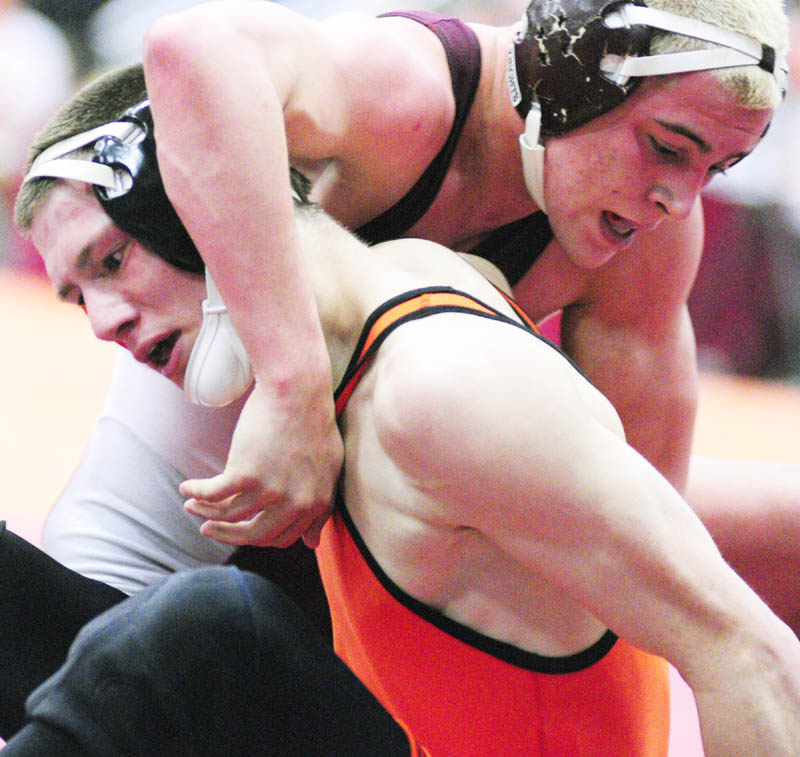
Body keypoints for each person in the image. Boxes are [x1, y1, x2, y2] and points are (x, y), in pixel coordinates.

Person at [17, 0, 800, 638]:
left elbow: (646, 523)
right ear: (573, 78)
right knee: (81, 677)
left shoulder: (648, 242)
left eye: (716, 168)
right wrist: (293, 389)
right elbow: (190, 46)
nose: (679, 198)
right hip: (204, 466)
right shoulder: (409, 92)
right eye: (669, 147)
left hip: (358, 539)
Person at [6, 157, 800, 755]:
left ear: (207, 217)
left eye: (114, 263)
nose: (106, 322)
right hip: (408, 721)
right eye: (80, 296)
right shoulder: (388, 320)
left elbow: (752, 651)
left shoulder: (439, 386)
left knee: (209, 628)